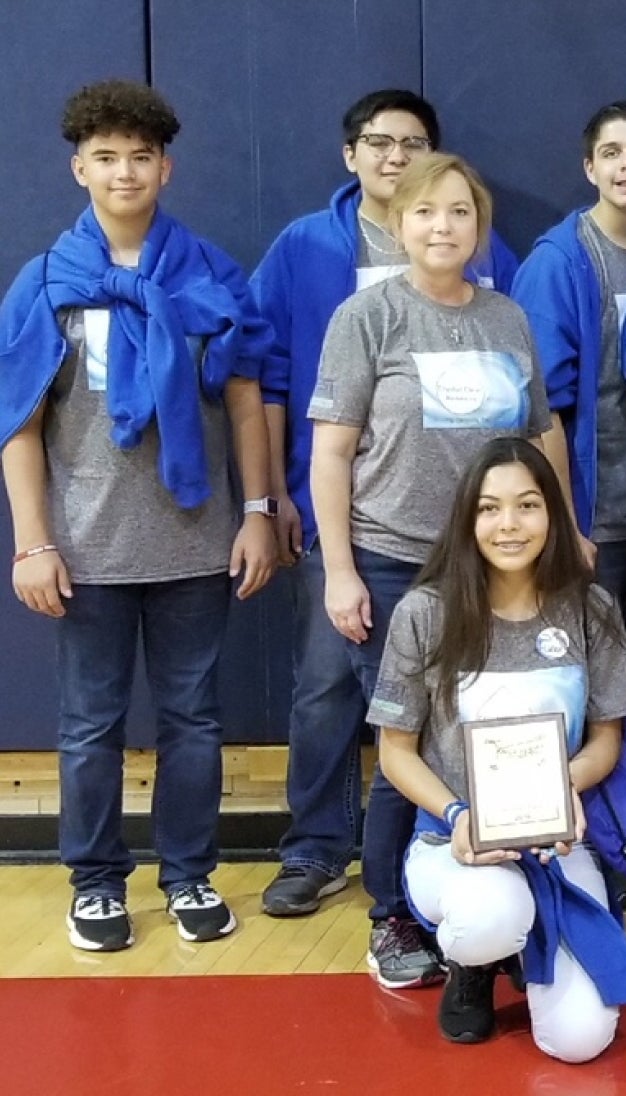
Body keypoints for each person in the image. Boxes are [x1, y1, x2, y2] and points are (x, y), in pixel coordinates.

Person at [0, 80, 276, 952]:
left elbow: (245, 402)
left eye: (142, 156)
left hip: (195, 540)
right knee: (90, 725)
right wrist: (33, 542)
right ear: (80, 167)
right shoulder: (46, 282)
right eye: (107, 157)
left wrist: (260, 511)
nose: (126, 172)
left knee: (194, 720)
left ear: (168, 167)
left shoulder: (210, 272)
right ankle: (95, 883)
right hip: (84, 552)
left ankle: (189, 873)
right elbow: (19, 423)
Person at [251, 88, 520, 920]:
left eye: (414, 144)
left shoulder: (497, 286)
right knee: (334, 692)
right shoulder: (311, 253)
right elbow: (270, 377)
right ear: (354, 156)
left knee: (445, 710)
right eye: (380, 143)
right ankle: (326, 858)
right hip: (364, 534)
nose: (395, 156)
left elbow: (533, 419)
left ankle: (442, 868)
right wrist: (275, 501)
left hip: (479, 547)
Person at [309, 152, 565, 989]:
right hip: (390, 563)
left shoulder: (506, 317)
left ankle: (504, 882)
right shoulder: (366, 316)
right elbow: (332, 451)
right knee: (406, 743)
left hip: (495, 564)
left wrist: (566, 527)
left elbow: (542, 430)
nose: (443, 227)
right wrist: (339, 570)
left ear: (479, 226)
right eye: (425, 213)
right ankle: (394, 914)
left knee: (481, 732)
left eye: (459, 212)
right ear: (399, 223)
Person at [371, 438, 626, 1060]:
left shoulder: (590, 610)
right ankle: (477, 963)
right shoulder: (424, 614)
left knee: (581, 1041)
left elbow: (607, 740)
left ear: (553, 514)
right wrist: (458, 816)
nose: (509, 525)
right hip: (455, 846)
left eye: (528, 505)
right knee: (491, 916)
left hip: (557, 840)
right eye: (490, 509)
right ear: (468, 519)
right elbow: (395, 754)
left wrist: (566, 789)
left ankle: (529, 943)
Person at [512, 99, 626, 878]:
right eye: (614, 152)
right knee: (596, 684)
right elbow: (540, 405)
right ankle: (593, 838)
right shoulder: (561, 260)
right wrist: (563, 518)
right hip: (595, 515)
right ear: (590, 168)